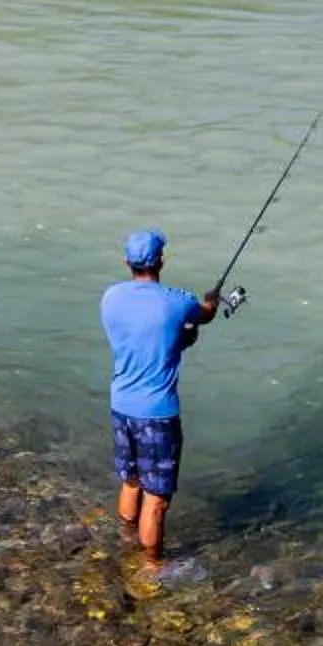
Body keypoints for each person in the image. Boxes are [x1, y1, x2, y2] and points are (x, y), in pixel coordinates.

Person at [102, 229, 221, 567]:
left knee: (131, 481)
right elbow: (205, 313)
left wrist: (179, 341)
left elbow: (141, 340)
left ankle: (126, 541)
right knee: (156, 500)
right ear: (161, 261)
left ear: (127, 262)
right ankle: (151, 567)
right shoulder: (177, 301)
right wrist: (211, 299)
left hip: (120, 405)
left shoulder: (110, 297)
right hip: (157, 413)